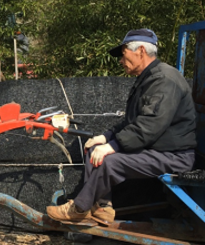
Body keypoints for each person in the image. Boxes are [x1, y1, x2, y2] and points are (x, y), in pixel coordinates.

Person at [46, 29, 196, 225]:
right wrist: (106, 137)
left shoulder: (164, 79)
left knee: (109, 161)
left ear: (140, 51)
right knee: (93, 149)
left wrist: (113, 147)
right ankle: (102, 208)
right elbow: (133, 121)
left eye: (123, 54)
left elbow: (150, 125)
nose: (120, 60)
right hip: (157, 149)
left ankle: (80, 207)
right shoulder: (149, 78)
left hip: (174, 156)